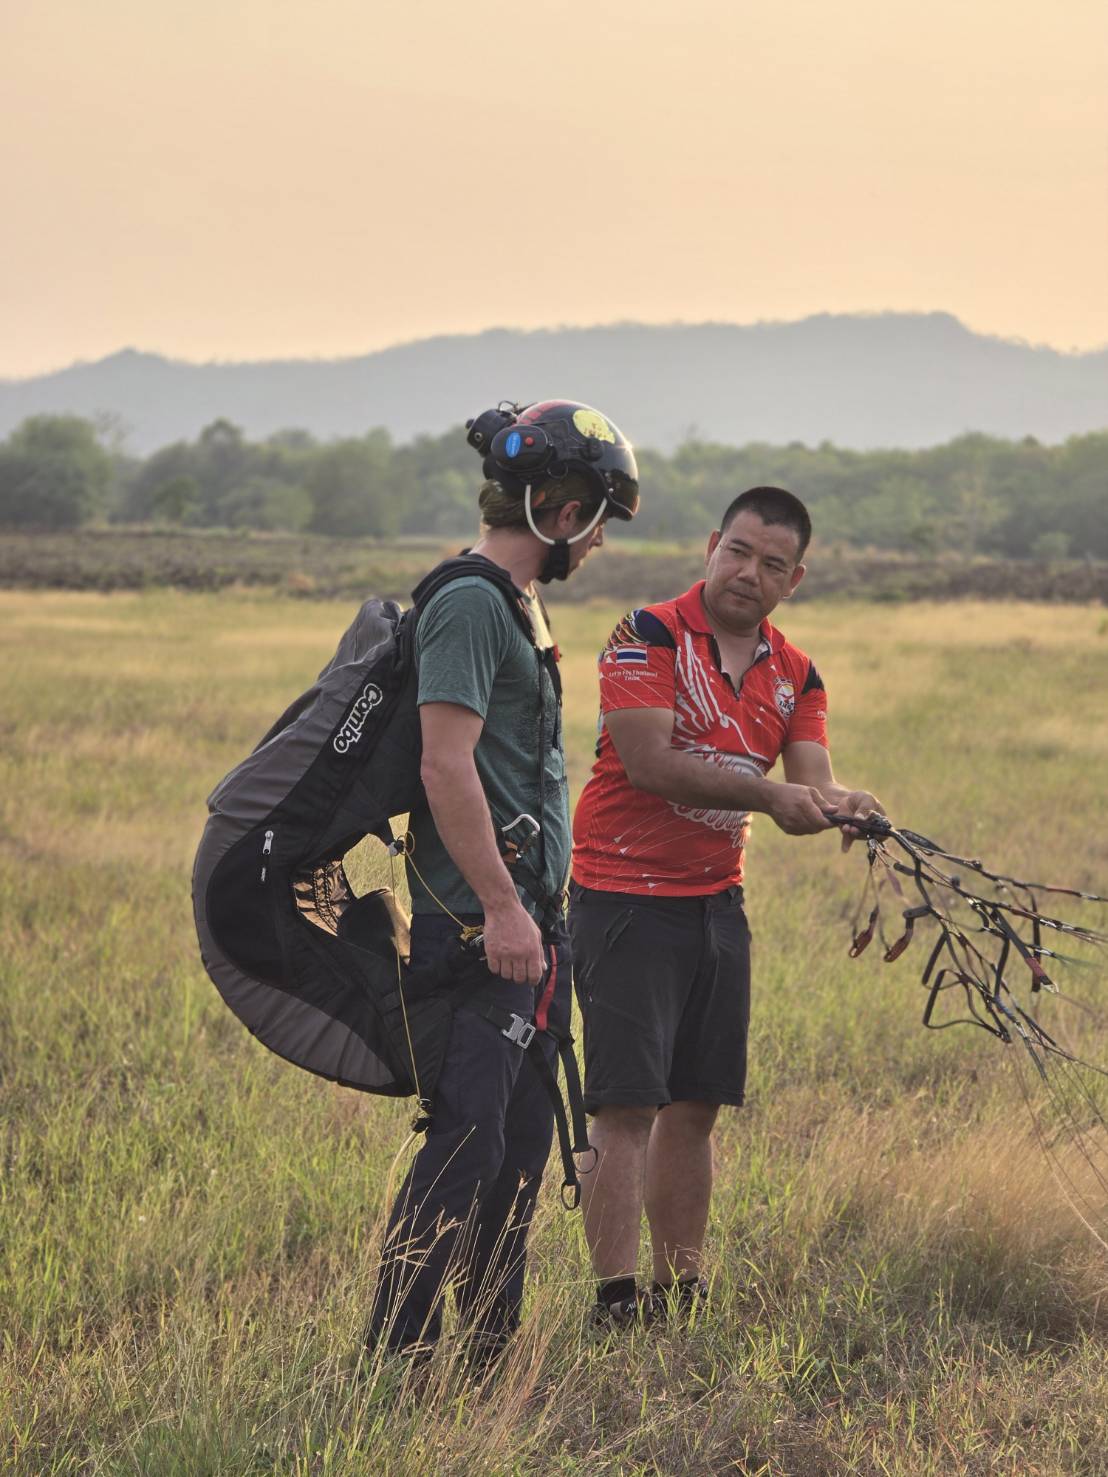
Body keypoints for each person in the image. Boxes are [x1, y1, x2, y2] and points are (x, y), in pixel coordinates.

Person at [366, 400, 639, 1372]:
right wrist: (500, 907)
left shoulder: (517, 603)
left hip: (529, 933)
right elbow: (445, 764)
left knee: (518, 1156)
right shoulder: (471, 603)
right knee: (463, 1151)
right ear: (562, 512)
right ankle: (394, 1368)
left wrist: (534, 919)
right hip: (479, 933)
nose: (599, 541)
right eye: (597, 520)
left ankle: (486, 1364)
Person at [568, 485, 883, 1327]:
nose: (749, 572)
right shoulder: (646, 634)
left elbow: (811, 781)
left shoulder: (797, 673)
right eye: (738, 551)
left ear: (795, 578)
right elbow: (650, 762)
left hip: (716, 902)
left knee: (696, 1105)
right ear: (712, 546)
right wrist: (769, 796)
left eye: (772, 563)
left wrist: (849, 805)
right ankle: (615, 1300)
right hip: (623, 895)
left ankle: (681, 1291)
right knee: (625, 1107)